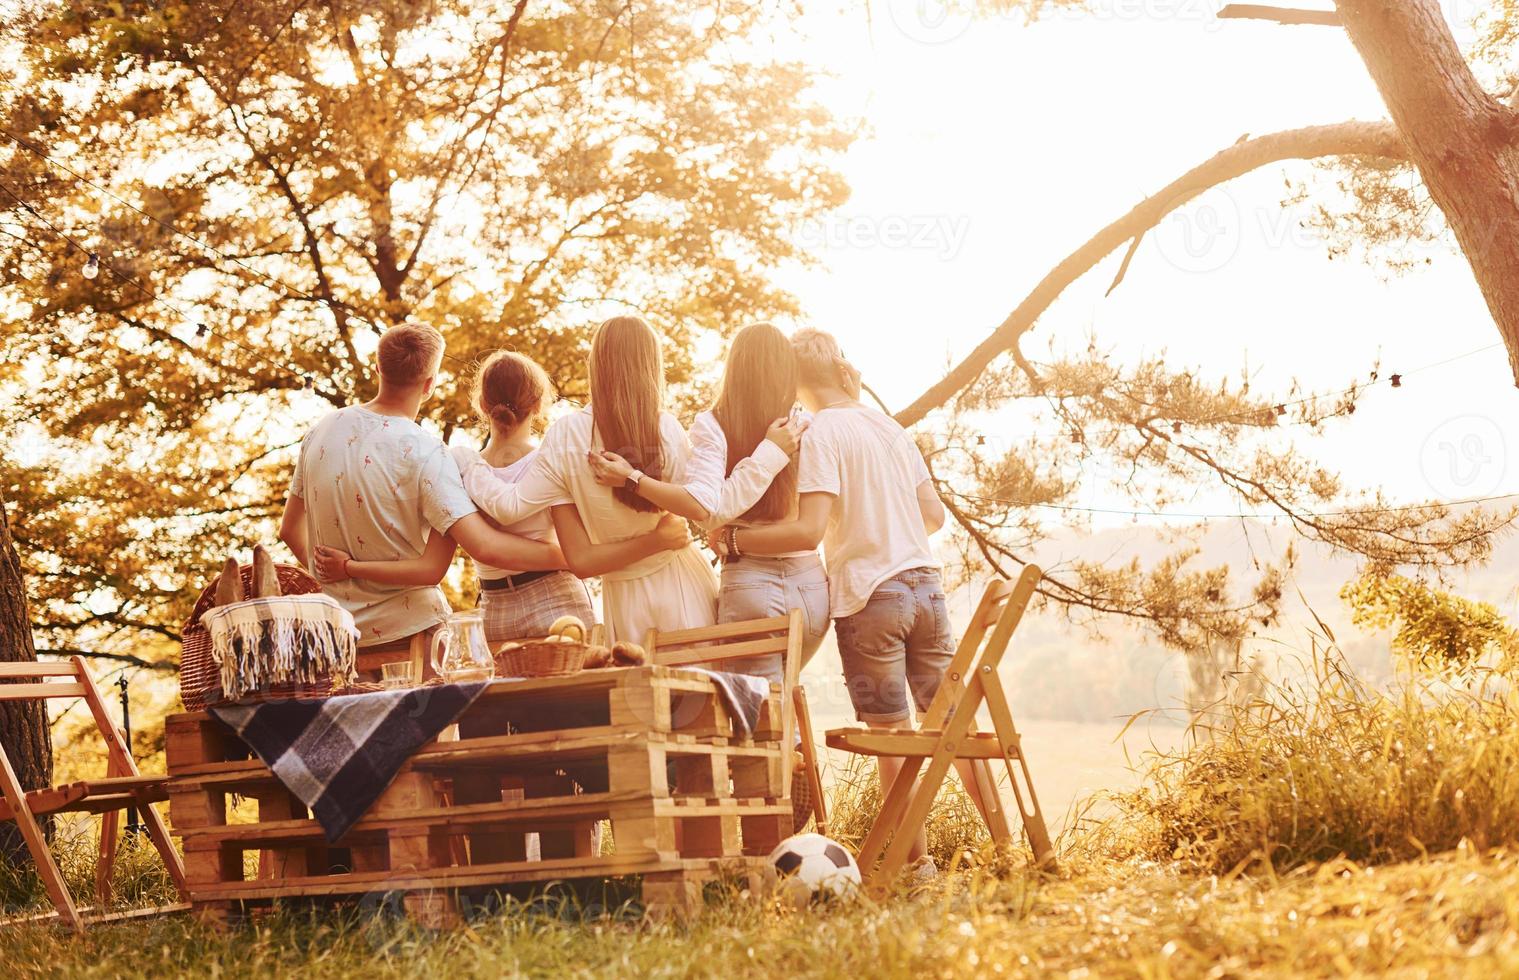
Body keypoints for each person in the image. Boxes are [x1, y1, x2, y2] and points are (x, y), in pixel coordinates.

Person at [714, 327, 985, 877]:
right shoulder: (887, 428)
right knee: (956, 725)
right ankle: (1008, 846)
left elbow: (808, 531)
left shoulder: (818, 434)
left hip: (870, 597)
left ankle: (917, 865)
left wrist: (734, 539)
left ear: (792, 381)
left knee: (891, 734)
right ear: (842, 370)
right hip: (925, 588)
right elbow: (932, 516)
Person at [308, 349, 691, 643]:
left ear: (481, 405)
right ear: (539, 406)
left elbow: (450, 552)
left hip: (495, 605)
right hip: (553, 596)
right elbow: (580, 544)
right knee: (577, 712)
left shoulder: (457, 463)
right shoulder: (550, 459)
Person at [278, 321, 564, 658]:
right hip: (412, 636)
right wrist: (567, 556)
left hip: (341, 639)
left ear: (377, 369)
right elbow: (445, 564)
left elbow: (289, 530)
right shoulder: (427, 451)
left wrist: (340, 584)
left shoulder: (321, 431)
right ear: (429, 384)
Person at [450, 315, 720, 643]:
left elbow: (511, 507)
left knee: (633, 690)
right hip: (682, 579)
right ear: (652, 366)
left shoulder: (565, 436)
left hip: (624, 596)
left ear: (596, 364)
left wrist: (467, 460)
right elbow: (698, 510)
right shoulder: (667, 428)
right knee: (705, 688)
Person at [586, 322, 822, 685]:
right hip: (812, 590)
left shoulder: (713, 425)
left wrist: (731, 539)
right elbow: (812, 524)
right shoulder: (808, 425)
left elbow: (710, 511)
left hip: (750, 585)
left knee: (764, 713)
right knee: (786, 696)